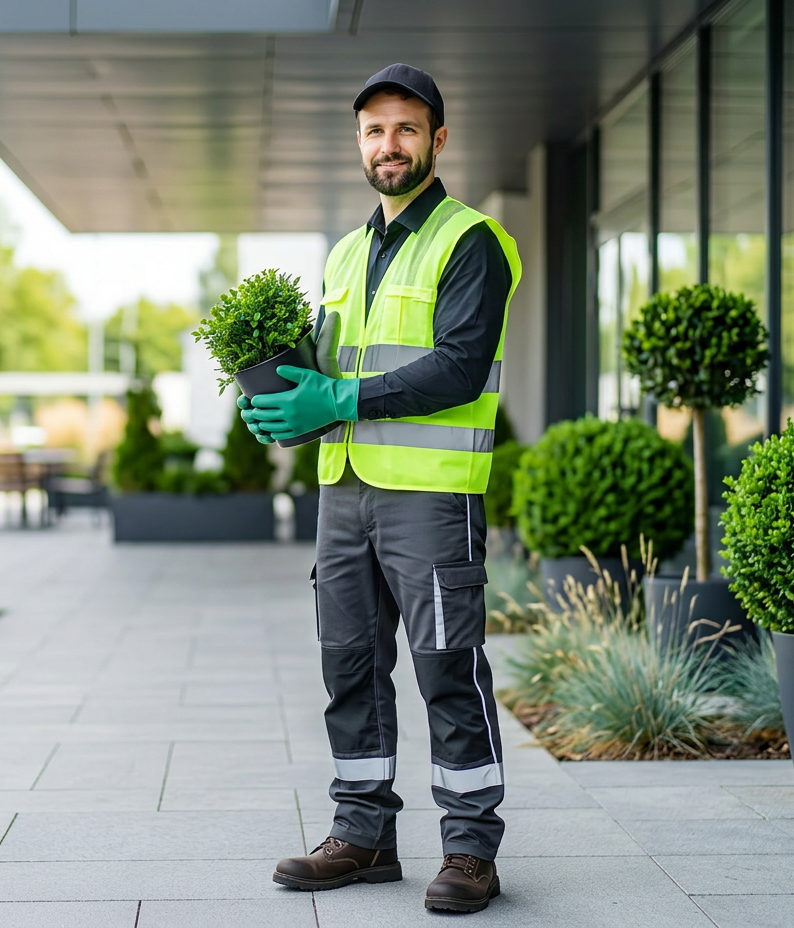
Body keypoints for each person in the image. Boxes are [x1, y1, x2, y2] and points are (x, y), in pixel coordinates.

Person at [239, 63, 520, 914]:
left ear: (438, 139)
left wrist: (338, 399)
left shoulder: (472, 240)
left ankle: (470, 849)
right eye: (373, 131)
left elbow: (458, 365)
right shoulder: (345, 252)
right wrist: (285, 408)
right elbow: (329, 372)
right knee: (350, 668)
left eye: (405, 128)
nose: (387, 144)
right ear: (358, 142)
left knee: (447, 668)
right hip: (345, 494)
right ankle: (361, 836)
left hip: (431, 498)